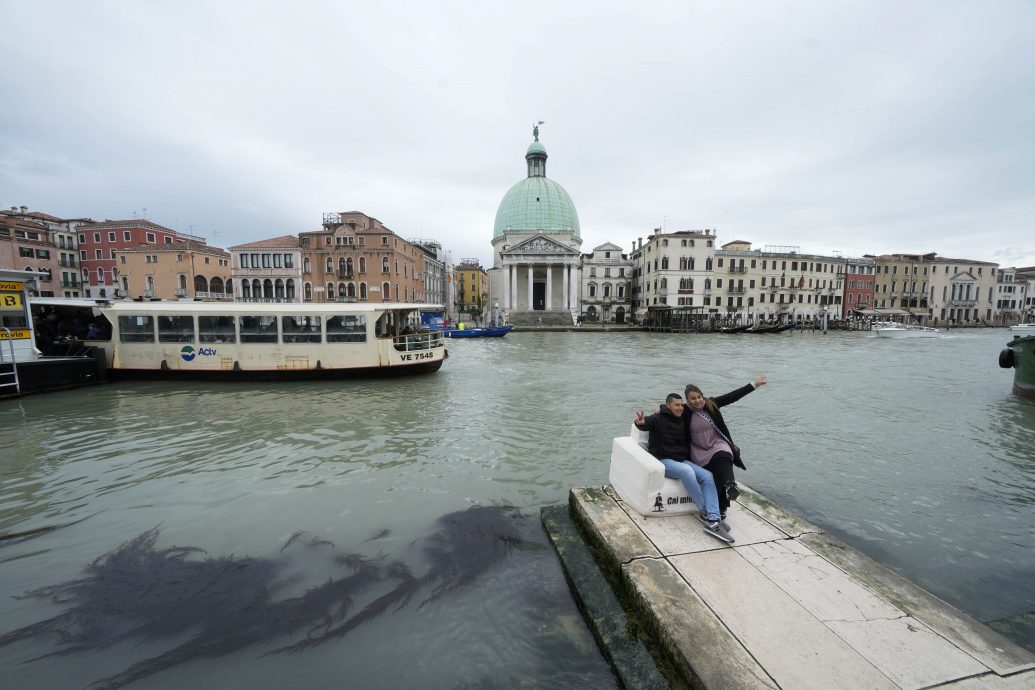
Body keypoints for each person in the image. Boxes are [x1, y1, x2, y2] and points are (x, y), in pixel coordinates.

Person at [634, 394, 733, 543]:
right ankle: (706, 512)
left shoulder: (683, 418)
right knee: (687, 472)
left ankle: (714, 518)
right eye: (677, 405)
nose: (681, 407)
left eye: (682, 405)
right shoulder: (657, 418)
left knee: (707, 476)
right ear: (668, 406)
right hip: (663, 461)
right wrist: (640, 422)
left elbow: (698, 412)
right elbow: (645, 423)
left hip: (682, 460)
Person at [683, 373, 767, 524]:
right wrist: (658, 410)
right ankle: (721, 507)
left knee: (723, 456)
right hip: (699, 449)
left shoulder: (711, 403)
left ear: (703, 396)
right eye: (693, 398)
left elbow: (733, 396)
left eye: (699, 396)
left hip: (717, 443)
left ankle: (730, 486)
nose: (698, 401)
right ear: (687, 400)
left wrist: (754, 384)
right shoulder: (684, 411)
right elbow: (668, 410)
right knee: (715, 474)